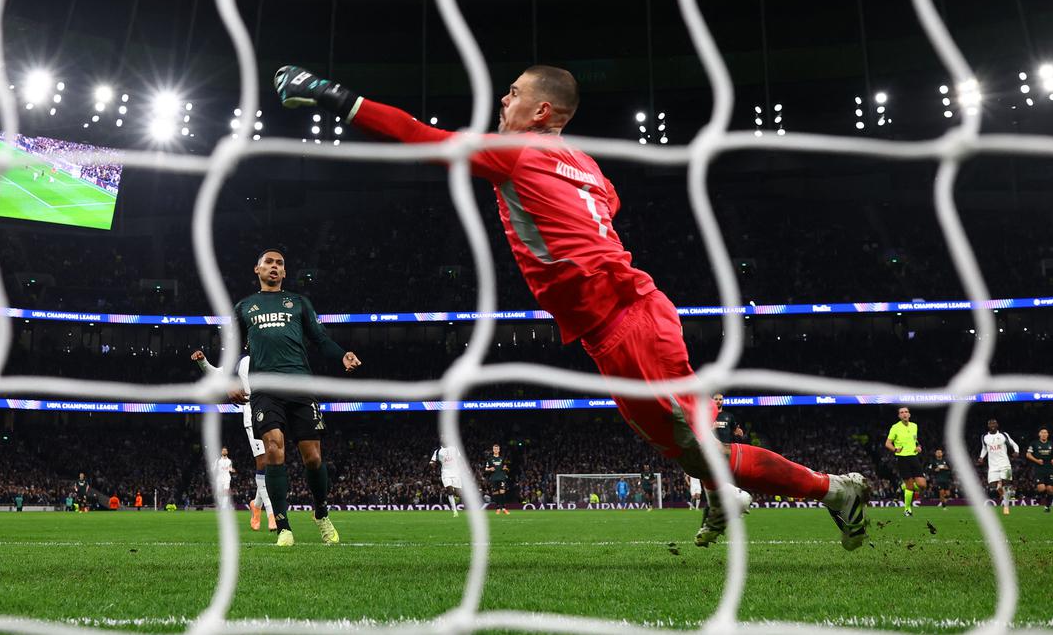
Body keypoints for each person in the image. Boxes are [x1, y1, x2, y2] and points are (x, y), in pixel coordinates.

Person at [275, 63, 872, 550]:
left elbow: (417, 136)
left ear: (541, 112)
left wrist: (333, 95)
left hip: (624, 321)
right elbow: (601, 215)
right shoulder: (589, 168)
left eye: (511, 94)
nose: (501, 102)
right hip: (630, 314)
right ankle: (723, 486)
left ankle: (829, 489)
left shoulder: (513, 152)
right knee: (690, 447)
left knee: (695, 452)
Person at [232, 247, 361, 547]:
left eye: (280, 264)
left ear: (285, 272)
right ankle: (283, 526)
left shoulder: (299, 303)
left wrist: (342, 355)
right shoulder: (244, 307)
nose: (274, 267)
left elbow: (319, 338)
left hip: (301, 385)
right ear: (257, 269)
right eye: (269, 263)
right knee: (274, 449)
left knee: (313, 457)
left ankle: (321, 512)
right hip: (265, 389)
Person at [192, 348, 277, 531]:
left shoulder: (273, 356)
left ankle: (256, 504)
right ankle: (272, 514)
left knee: (273, 464)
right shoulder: (241, 361)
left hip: (274, 414)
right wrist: (202, 361)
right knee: (262, 463)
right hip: (252, 416)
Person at [885, 406, 925, 516]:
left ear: (909, 414)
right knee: (911, 487)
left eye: (906, 412)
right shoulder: (895, 427)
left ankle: (903, 486)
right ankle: (907, 509)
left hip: (914, 457)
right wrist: (894, 449)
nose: (904, 414)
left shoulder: (914, 426)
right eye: (902, 412)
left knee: (922, 485)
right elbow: (887, 443)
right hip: (902, 458)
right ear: (899, 416)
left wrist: (918, 446)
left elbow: (915, 440)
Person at [977, 419, 1020, 515]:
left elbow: (1013, 443)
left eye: (994, 423)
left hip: (1005, 464)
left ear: (997, 425)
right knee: (993, 488)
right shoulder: (984, 437)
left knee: (1007, 485)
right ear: (988, 426)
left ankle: (1006, 507)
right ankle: (999, 487)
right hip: (993, 466)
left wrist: (1016, 451)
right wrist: (981, 457)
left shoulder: (1003, 435)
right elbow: (984, 448)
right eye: (990, 424)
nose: (992, 425)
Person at [430, 442, 464, 516]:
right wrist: (432, 464)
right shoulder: (438, 451)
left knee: (458, 493)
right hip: (445, 473)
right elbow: (432, 461)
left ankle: (457, 494)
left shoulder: (454, 449)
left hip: (456, 472)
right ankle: (455, 511)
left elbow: (460, 459)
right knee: (450, 491)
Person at [1024, 427, 1052, 513]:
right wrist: (1037, 461)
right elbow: (1028, 455)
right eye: (1042, 432)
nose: (1044, 434)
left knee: (1050, 489)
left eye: (1045, 433)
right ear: (1039, 434)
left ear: (1047, 434)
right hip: (1039, 469)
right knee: (1042, 488)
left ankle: (1047, 507)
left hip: (1050, 469)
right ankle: (1038, 496)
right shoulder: (1034, 443)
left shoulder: (1052, 444)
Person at [483, 444, 509, 515]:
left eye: (497, 449)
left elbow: (506, 467)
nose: (496, 450)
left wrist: (505, 468)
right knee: (496, 493)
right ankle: (498, 508)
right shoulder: (490, 459)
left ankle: (504, 508)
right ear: (493, 450)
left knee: (502, 492)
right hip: (494, 478)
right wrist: (490, 469)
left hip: (501, 477)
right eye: (495, 449)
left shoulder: (502, 458)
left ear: (499, 450)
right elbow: (485, 469)